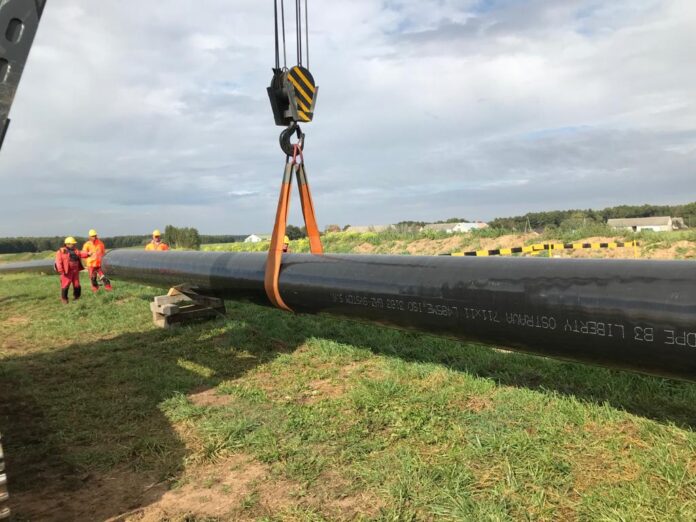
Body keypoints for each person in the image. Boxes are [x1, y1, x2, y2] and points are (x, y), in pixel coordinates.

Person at [55, 237, 91, 304]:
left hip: (75, 271)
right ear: (67, 244)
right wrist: (61, 271)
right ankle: (64, 299)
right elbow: (58, 262)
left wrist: (88, 254)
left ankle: (77, 298)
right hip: (66, 272)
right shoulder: (61, 252)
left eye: (74, 244)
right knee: (65, 285)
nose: (74, 245)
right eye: (72, 244)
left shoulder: (75, 250)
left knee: (77, 285)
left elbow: (81, 253)